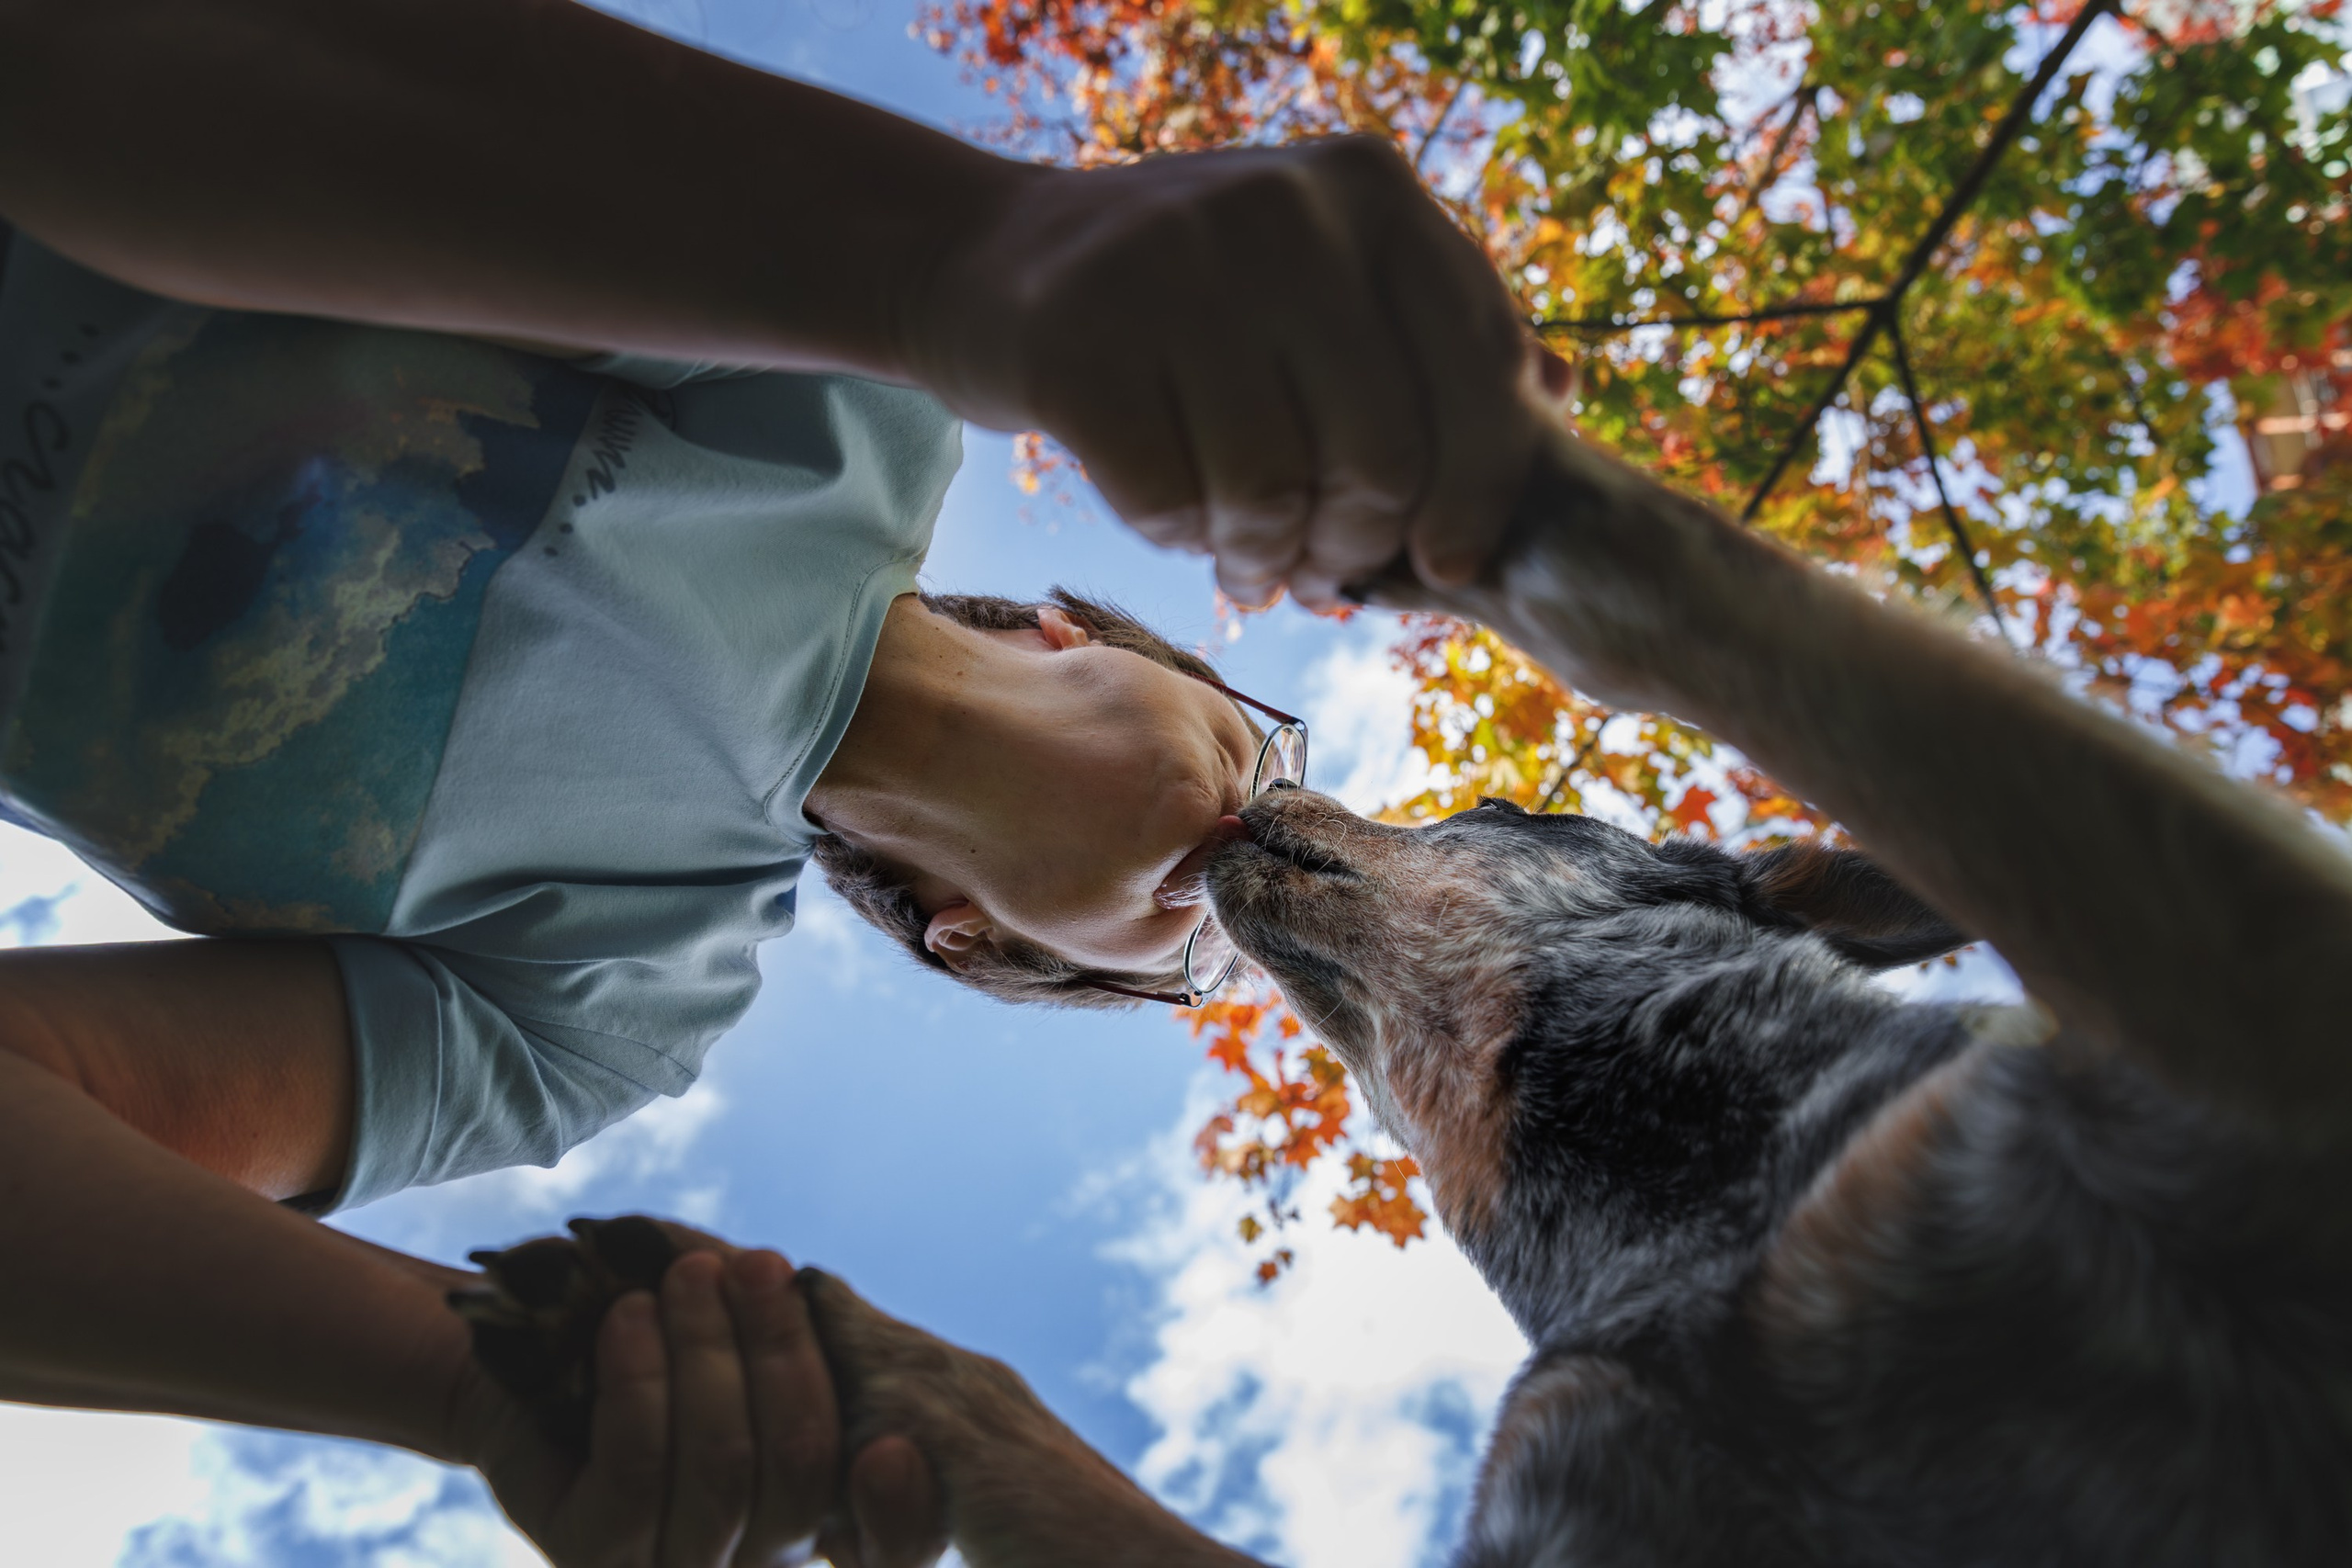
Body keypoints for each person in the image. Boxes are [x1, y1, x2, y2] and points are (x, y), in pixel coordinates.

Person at [0, 0, 1543, 1561]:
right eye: (1276, 762)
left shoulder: (602, 1013)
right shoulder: (853, 401)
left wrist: (474, 1387)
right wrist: (979, 265)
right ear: (1081, 633)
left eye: (1212, 949)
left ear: (976, 941)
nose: (1274, 862)